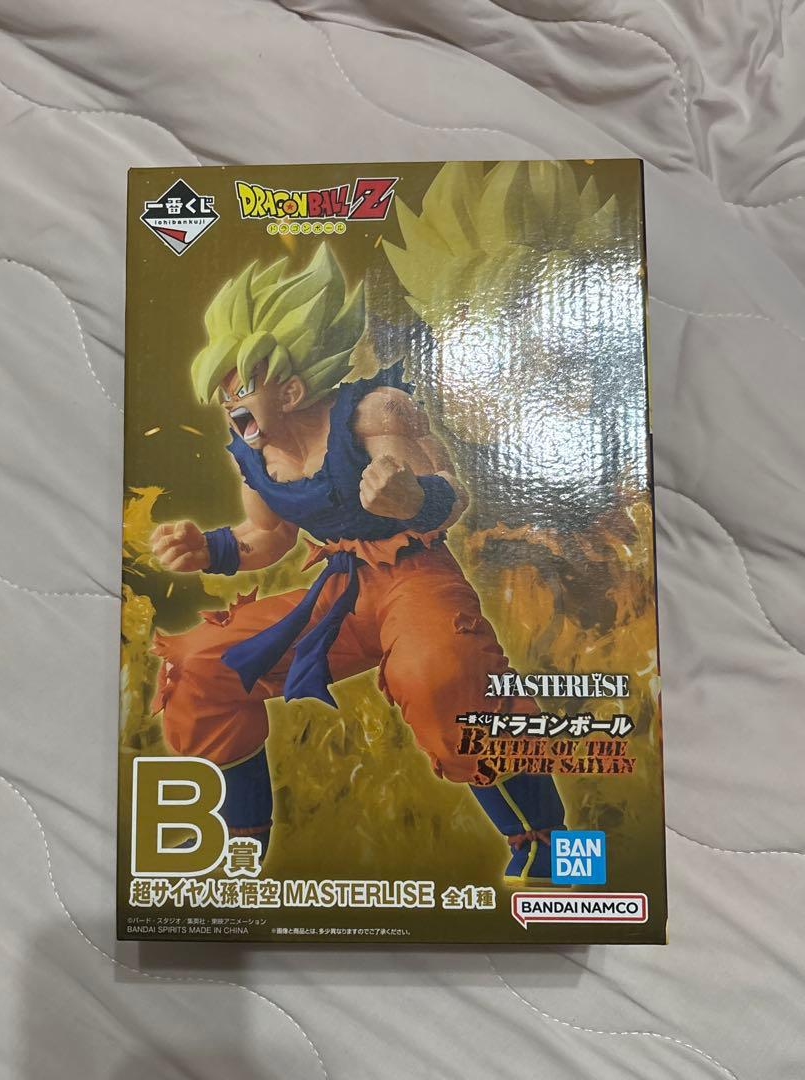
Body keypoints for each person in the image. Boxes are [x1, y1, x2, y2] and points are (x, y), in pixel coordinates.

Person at [149, 243, 565, 880]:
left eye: (242, 389)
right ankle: (238, 842)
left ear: (291, 387)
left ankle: (544, 841)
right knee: (200, 665)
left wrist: (412, 498)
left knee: (441, 677)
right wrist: (208, 547)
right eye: (224, 394)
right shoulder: (255, 453)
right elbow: (267, 537)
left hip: (416, 579)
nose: (231, 406)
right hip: (341, 592)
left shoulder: (373, 414)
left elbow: (451, 494)